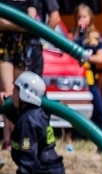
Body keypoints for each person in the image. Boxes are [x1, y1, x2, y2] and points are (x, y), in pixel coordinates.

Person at [0, 0, 60, 151]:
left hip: (26, 46)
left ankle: (20, 139)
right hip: (5, 45)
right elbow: (2, 22)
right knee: (9, 93)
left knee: (21, 95)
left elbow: (37, 18)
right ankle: (8, 140)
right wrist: (26, 26)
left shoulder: (32, 2)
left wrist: (33, 29)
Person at [68, 3, 102, 141]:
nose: (82, 19)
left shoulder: (95, 38)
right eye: (79, 17)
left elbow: (100, 58)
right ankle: (75, 138)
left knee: (99, 110)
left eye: (85, 16)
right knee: (75, 111)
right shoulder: (72, 36)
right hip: (73, 79)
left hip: (90, 78)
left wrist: (85, 56)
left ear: (90, 18)